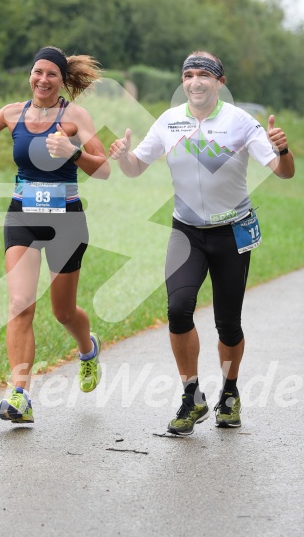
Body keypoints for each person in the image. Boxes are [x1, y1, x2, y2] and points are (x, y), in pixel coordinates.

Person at [110, 50, 295, 436]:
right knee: (178, 309)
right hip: (186, 232)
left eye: (204, 75)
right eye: (189, 74)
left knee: (228, 324)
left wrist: (282, 148)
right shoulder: (169, 121)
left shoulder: (241, 122)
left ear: (219, 82)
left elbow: (283, 173)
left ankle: (230, 391)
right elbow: (135, 168)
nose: (195, 81)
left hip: (231, 231)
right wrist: (124, 156)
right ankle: (191, 395)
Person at [0, 46, 110, 423]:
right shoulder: (12, 113)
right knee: (20, 302)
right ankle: (20, 396)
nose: (42, 79)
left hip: (66, 223)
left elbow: (103, 169)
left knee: (63, 312)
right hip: (21, 215)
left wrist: (72, 152)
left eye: (51, 74)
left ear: (62, 80)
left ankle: (88, 348)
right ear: (31, 74)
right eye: (37, 72)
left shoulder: (76, 116)